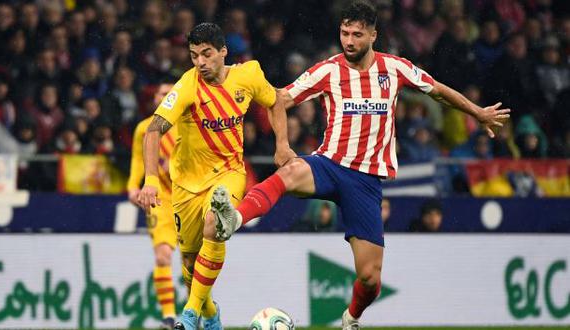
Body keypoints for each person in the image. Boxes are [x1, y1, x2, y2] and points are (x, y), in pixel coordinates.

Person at [209, 2, 510, 329]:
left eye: (356, 34)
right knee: (290, 171)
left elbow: (437, 90)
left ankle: (351, 318)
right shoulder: (328, 70)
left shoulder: (395, 69)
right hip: (329, 165)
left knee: (369, 278)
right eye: (344, 33)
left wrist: (477, 112)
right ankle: (235, 219)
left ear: (373, 35)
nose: (348, 41)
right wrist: (282, 145)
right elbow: (280, 98)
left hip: (365, 182)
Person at [137, 23, 291, 330]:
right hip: (185, 184)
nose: (200, 62)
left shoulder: (247, 76)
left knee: (216, 224)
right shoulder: (187, 85)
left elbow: (275, 101)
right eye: (194, 56)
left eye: (207, 54)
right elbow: (152, 131)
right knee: (191, 270)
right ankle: (210, 317)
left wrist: (282, 145)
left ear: (223, 52)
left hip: (230, 173)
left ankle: (190, 313)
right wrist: (151, 180)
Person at [127, 82, 178, 329]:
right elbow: (138, 157)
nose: (164, 96)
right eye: (160, 92)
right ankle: (169, 317)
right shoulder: (144, 128)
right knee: (163, 255)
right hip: (160, 199)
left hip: (187, 197)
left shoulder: (186, 126)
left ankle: (196, 314)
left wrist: (177, 165)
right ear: (155, 97)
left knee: (192, 260)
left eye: (169, 93)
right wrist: (132, 186)